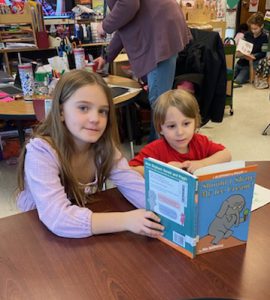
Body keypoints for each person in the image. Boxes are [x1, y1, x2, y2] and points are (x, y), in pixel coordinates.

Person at [16, 70, 164, 238]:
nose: (95, 118)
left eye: (103, 111)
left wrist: (172, 210)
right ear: (61, 111)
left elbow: (134, 186)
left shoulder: (103, 148)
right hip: (37, 233)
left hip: (77, 230)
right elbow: (57, 218)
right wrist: (126, 220)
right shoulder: (41, 152)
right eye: (83, 108)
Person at [94, 0, 192, 141]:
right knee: (159, 98)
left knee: (159, 101)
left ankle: (158, 153)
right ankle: (157, 147)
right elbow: (124, 26)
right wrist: (105, 57)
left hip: (159, 28)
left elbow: (129, 4)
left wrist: (105, 25)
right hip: (160, 24)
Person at [129, 89, 231, 176]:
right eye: (171, 126)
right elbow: (130, 171)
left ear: (195, 122)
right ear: (160, 128)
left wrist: (203, 164)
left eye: (186, 123)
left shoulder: (200, 142)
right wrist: (163, 170)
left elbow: (226, 154)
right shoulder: (155, 150)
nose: (180, 132)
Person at [234, 12, 268, 84]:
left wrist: (254, 56)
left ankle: (249, 76)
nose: (253, 31)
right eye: (252, 28)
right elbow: (240, 48)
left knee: (238, 81)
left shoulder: (265, 38)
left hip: (250, 64)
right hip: (241, 61)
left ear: (261, 26)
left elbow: (263, 53)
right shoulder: (247, 34)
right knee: (229, 77)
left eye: (255, 29)